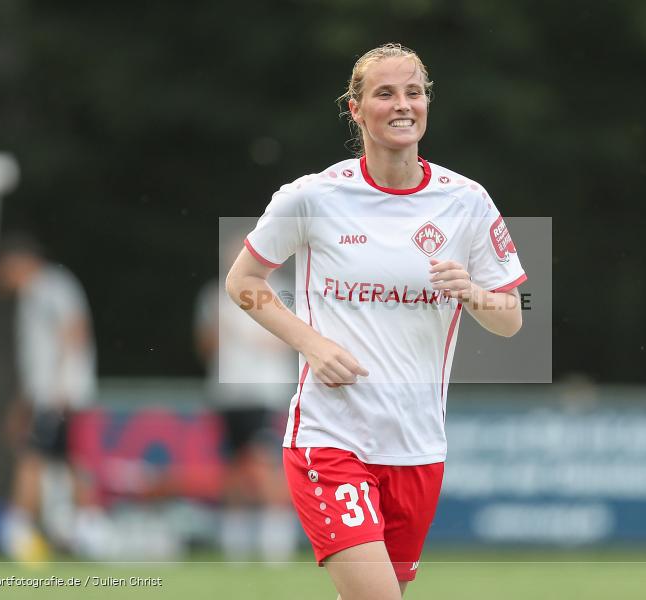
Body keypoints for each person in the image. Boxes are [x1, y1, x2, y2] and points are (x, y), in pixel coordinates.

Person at [226, 43, 526, 600]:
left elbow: (512, 319)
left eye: (414, 92)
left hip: (417, 449)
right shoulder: (313, 197)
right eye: (385, 93)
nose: (402, 104)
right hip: (331, 437)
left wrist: (474, 293)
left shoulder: (467, 201)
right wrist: (311, 343)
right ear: (355, 109)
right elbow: (243, 282)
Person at [194, 235, 298, 562]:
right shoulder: (216, 295)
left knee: (264, 463)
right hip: (229, 392)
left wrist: (251, 336)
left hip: (265, 390)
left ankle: (274, 542)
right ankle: (236, 543)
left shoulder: (281, 291)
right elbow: (207, 345)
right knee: (235, 465)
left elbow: (288, 338)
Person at [0, 233, 98, 561]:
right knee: (69, 460)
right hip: (50, 394)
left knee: (33, 457)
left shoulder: (52, 286)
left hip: (61, 394)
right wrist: (24, 404)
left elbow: (75, 331)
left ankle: (18, 531)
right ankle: (83, 530)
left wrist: (62, 387)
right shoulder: (33, 294)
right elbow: (37, 356)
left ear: (19, 262)